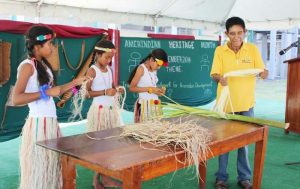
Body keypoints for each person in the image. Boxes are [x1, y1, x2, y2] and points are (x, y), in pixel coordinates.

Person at [12, 25, 88, 189]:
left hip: (50, 124)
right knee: (39, 169)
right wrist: (44, 93)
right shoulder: (27, 66)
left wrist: (76, 83)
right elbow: (16, 98)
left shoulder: (43, 66)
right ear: (38, 46)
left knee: (51, 167)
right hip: (39, 126)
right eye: (50, 44)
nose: (53, 47)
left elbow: (57, 91)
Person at [210, 17, 268, 189]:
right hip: (226, 105)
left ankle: (244, 178)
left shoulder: (252, 49)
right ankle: (221, 178)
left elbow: (262, 70)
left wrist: (264, 73)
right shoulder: (220, 51)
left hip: (246, 104)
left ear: (245, 33)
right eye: (232, 33)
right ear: (226, 34)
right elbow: (214, 74)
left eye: (240, 33)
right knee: (224, 143)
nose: (236, 37)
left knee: (244, 144)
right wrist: (220, 78)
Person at [85, 40, 123, 189]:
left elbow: (111, 87)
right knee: (99, 147)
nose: (109, 60)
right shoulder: (92, 70)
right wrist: (105, 92)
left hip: (111, 111)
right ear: (98, 54)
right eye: (106, 57)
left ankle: (106, 178)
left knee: (111, 145)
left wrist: (115, 89)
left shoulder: (110, 69)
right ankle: (97, 180)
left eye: (111, 58)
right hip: (99, 113)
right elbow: (86, 93)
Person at [128, 48, 168, 123]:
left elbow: (152, 88)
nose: (159, 68)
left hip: (154, 106)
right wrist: (150, 89)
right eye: (158, 65)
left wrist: (158, 91)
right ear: (152, 60)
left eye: (160, 66)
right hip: (144, 106)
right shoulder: (141, 68)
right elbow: (132, 88)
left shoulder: (154, 70)